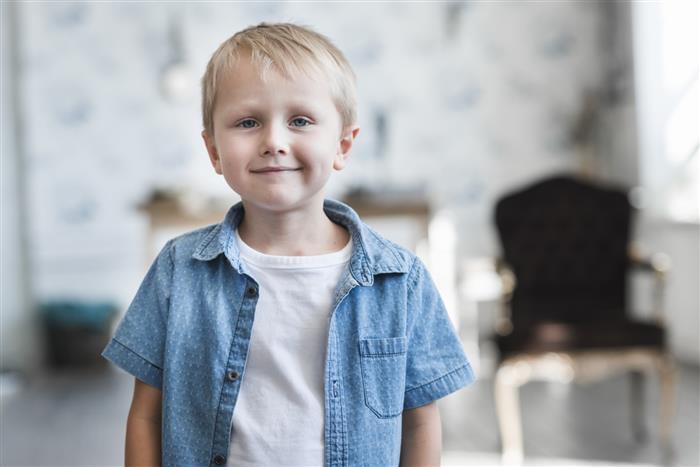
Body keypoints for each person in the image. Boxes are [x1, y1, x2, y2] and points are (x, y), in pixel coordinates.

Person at [102, 22, 475, 467]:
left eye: (300, 121)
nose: (274, 142)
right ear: (215, 151)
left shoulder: (401, 280)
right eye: (247, 122)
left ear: (342, 144)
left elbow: (420, 421)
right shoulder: (178, 270)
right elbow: (145, 414)